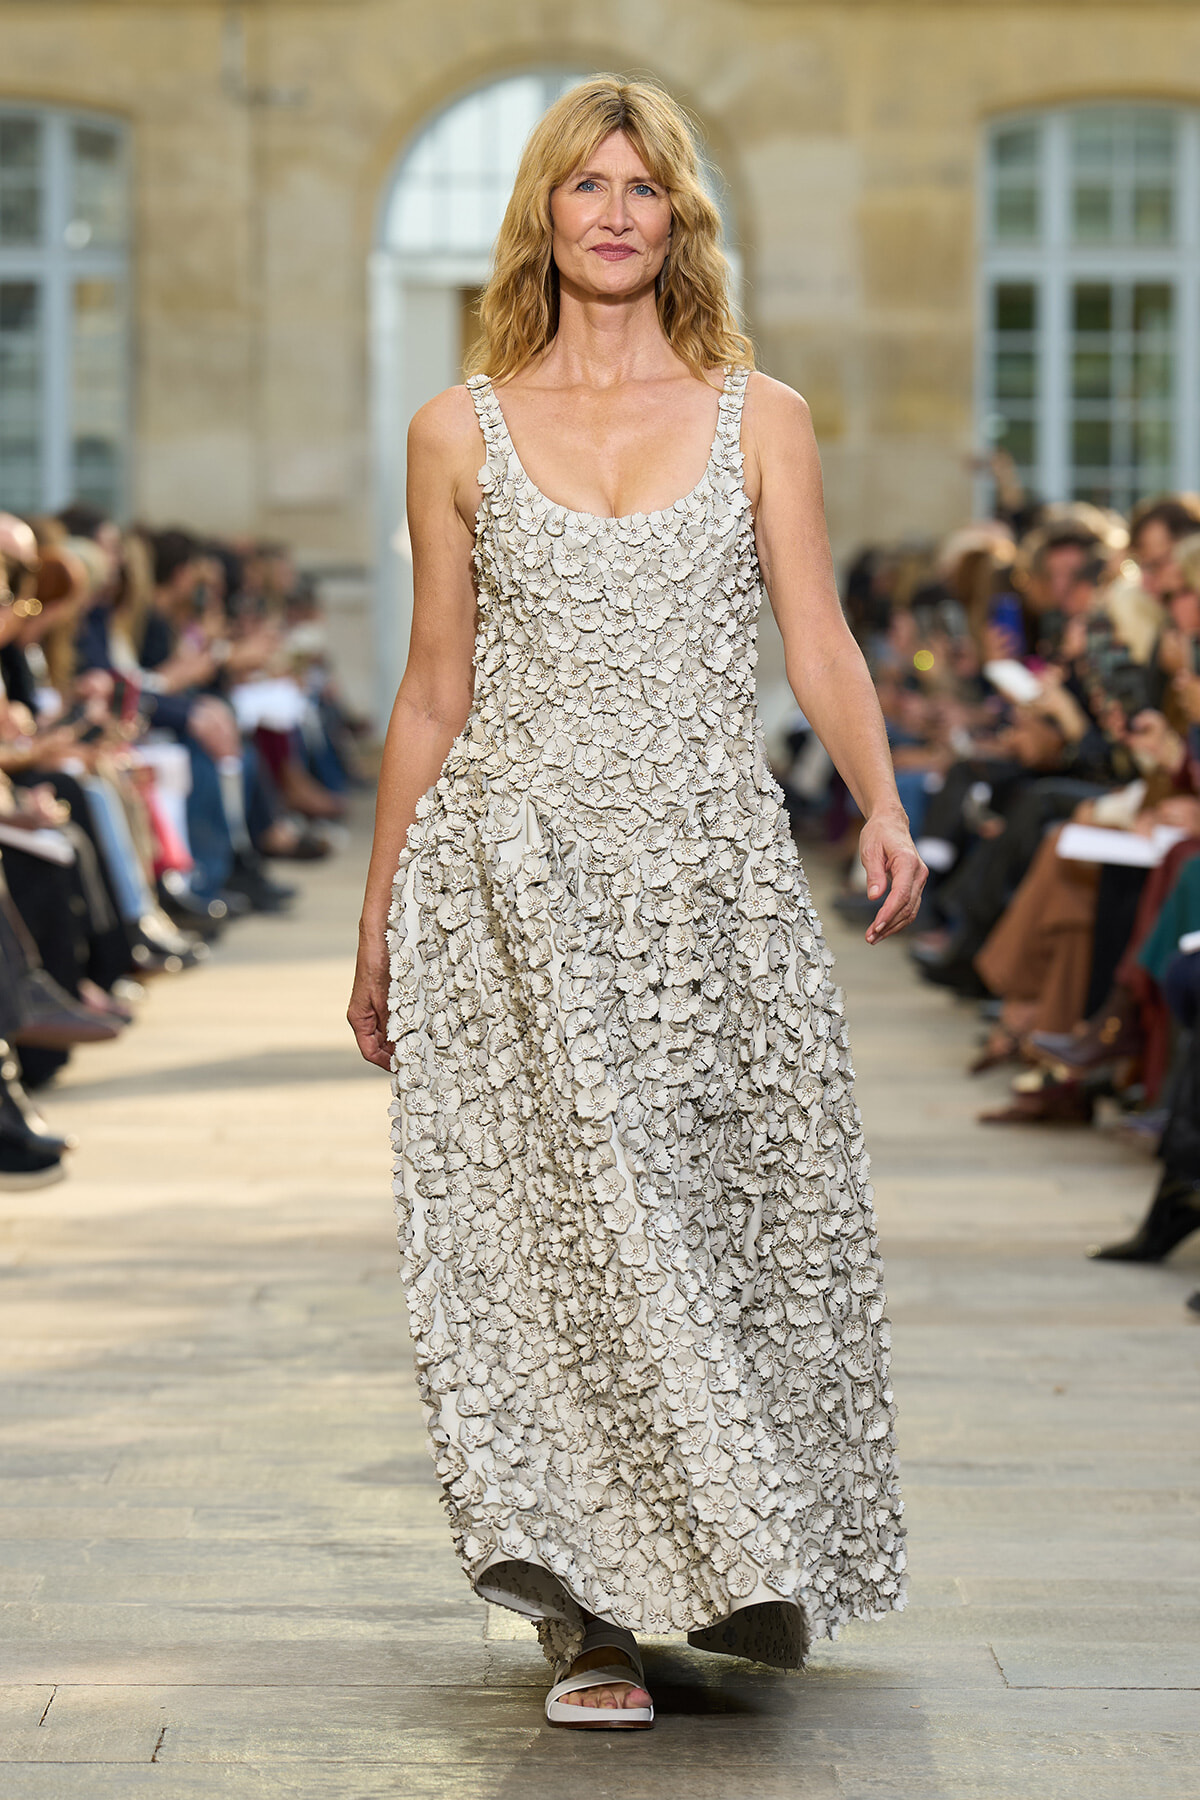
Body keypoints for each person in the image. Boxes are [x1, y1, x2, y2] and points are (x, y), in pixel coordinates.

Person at [348, 75, 924, 1730]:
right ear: (543, 211)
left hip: (709, 883)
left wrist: (883, 798)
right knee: (555, 1250)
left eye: (644, 187)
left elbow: (818, 637)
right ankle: (587, 1618)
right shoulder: (456, 428)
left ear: (680, 218)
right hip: (510, 881)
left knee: (723, 1228)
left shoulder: (765, 414)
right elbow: (433, 692)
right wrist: (381, 913)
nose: (613, 211)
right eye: (584, 184)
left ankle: (717, 1557)